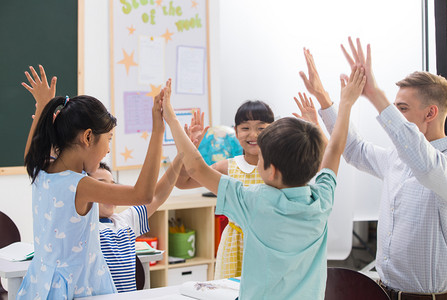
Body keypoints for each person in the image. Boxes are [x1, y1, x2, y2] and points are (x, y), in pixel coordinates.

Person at [162, 66, 366, 299]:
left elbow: (196, 167)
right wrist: (346, 104)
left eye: (263, 158)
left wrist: (171, 119)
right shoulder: (321, 199)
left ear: (272, 171)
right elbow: (334, 150)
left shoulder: (254, 200)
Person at [300, 39, 447, 298]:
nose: (391, 116)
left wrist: (374, 94)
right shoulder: (396, 158)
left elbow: (425, 166)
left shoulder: (442, 166)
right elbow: (354, 149)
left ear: (430, 113)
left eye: (400, 109)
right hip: (381, 293)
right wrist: (323, 98)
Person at [18, 65, 167, 299]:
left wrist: (42, 107)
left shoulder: (39, 169)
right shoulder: (80, 186)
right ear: (88, 137)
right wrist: (158, 130)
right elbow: (143, 194)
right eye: (108, 140)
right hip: (76, 289)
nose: (107, 150)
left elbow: (35, 145)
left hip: (42, 286)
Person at [176, 100, 275, 280]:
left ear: (272, 130)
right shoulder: (228, 167)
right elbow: (182, 182)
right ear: (236, 132)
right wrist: (192, 145)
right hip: (234, 246)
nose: (253, 134)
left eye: (261, 128)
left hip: (268, 243)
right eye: (245, 128)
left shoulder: (280, 168)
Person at [90, 158, 182, 293]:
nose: (111, 192)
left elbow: (157, 196)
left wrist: (181, 157)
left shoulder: (123, 221)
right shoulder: (85, 226)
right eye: (102, 186)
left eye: (113, 186)